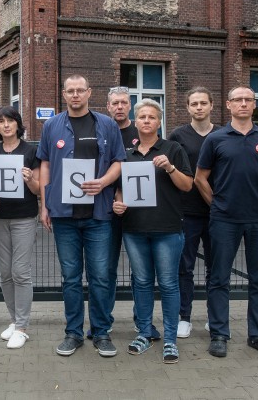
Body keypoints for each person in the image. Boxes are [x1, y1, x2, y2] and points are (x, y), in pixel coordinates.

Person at [195, 86, 258, 358]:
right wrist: (217, 204)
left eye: (248, 100)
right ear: (228, 104)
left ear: (254, 105)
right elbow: (201, 177)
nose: (243, 104)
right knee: (219, 278)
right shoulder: (216, 139)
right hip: (224, 220)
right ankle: (219, 334)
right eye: (238, 100)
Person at [37, 74, 125, 357]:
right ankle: (73, 333)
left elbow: (118, 162)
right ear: (64, 94)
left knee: (100, 276)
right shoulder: (52, 126)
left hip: (98, 214)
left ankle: (100, 333)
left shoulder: (108, 125)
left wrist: (104, 182)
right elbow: (46, 167)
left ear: (89, 92)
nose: (75, 95)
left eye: (80, 91)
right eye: (70, 91)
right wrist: (44, 204)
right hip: (64, 216)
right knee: (71, 277)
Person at [112, 99, 193, 364]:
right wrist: (119, 202)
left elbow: (187, 185)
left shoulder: (173, 149)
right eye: (142, 117)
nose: (146, 121)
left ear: (159, 122)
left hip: (167, 228)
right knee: (142, 283)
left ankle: (170, 339)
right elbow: (121, 187)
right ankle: (145, 332)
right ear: (136, 122)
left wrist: (169, 168)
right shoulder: (127, 154)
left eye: (152, 117)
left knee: (169, 284)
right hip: (134, 229)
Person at [98, 86, 161, 342]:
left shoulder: (142, 132)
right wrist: (113, 196)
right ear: (108, 106)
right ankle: (104, 322)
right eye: (115, 103)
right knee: (106, 270)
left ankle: (142, 322)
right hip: (107, 211)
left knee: (141, 271)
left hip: (139, 212)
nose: (120, 107)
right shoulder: (101, 131)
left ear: (130, 106)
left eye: (124, 102)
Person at [0, 106, 40, 349]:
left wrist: (30, 180)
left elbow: (38, 189)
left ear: (18, 124)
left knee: (20, 270)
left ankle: (22, 327)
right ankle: (13, 320)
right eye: (1, 121)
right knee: (5, 271)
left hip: (24, 217)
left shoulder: (30, 151)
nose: (6, 125)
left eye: (10, 121)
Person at [168, 87, 221, 338]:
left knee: (216, 266)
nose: (199, 107)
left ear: (212, 105)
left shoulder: (224, 134)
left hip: (218, 212)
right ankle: (184, 317)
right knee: (184, 267)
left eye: (203, 103)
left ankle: (215, 317)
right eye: (194, 104)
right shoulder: (178, 135)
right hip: (186, 211)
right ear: (187, 108)